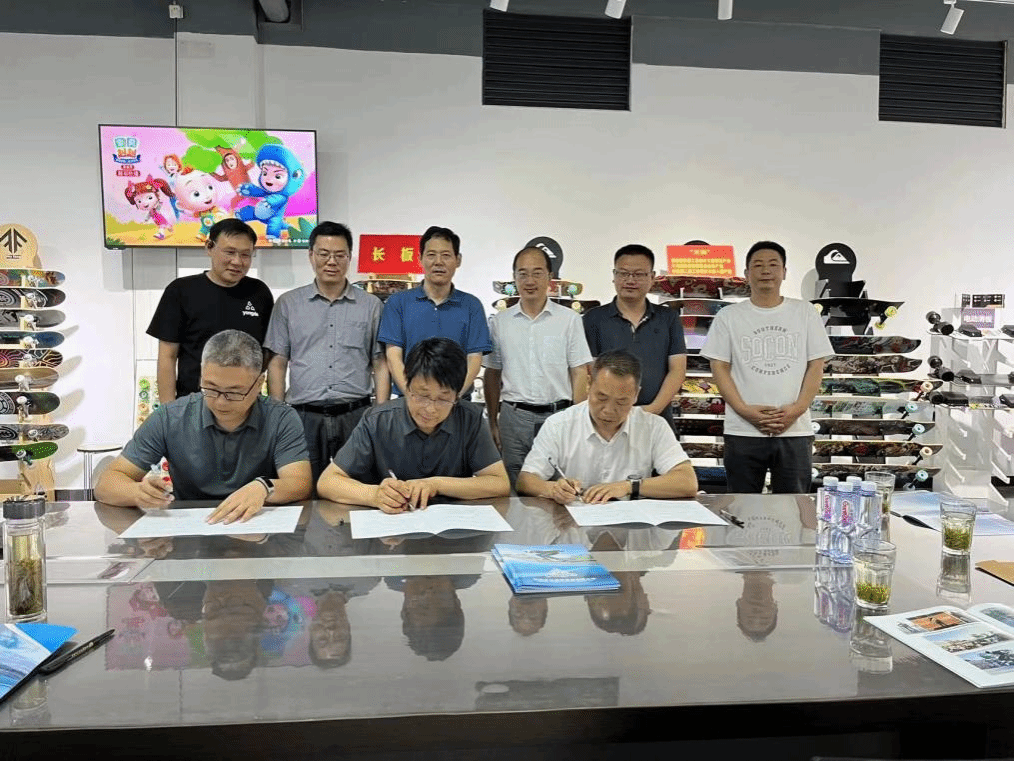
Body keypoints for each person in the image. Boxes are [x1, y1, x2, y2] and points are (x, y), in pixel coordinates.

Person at [95, 330, 313, 524]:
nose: (220, 402)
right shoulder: (170, 417)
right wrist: (137, 492)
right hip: (189, 532)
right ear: (202, 374)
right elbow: (106, 484)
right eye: (210, 388)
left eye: (234, 392)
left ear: (259, 383)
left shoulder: (281, 418)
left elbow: (300, 483)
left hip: (255, 527)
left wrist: (264, 487)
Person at [317, 337, 509, 511]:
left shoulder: (470, 419)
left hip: (450, 528)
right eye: (422, 396)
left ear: (457, 395)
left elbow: (500, 483)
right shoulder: (378, 420)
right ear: (407, 385)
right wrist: (374, 495)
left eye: (443, 399)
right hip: (392, 526)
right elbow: (327, 482)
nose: (431, 409)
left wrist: (435, 484)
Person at [701, 241, 833, 493]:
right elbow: (719, 368)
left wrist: (796, 410)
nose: (765, 271)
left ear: (784, 272)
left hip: (794, 430)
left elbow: (816, 366)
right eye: (757, 265)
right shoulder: (728, 316)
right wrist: (744, 411)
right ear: (746, 273)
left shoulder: (805, 312)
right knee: (741, 505)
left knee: (794, 505)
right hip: (743, 430)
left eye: (773, 264)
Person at [264, 221, 389, 484]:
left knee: (358, 489)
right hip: (303, 416)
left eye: (340, 255)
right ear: (311, 255)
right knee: (301, 489)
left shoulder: (371, 306)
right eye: (324, 254)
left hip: (356, 415)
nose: (331, 261)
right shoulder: (288, 304)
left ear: (349, 257)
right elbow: (277, 362)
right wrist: (278, 413)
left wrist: (379, 412)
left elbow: (380, 363)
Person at [516, 351, 697, 504]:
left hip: (631, 526)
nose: (609, 410)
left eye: (621, 402)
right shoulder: (559, 425)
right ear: (588, 385)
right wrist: (553, 489)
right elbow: (526, 480)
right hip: (572, 526)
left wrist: (628, 486)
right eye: (601, 398)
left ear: (636, 395)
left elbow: (687, 482)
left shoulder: (653, 427)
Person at [483, 246, 592, 488]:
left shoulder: (570, 320)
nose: (529, 281)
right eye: (522, 274)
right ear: (514, 278)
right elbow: (492, 374)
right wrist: (492, 422)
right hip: (513, 418)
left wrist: (578, 421)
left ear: (550, 277)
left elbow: (579, 372)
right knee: (513, 488)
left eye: (537, 273)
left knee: (559, 487)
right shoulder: (500, 322)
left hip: (559, 416)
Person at [147, 218, 274, 403]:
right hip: (194, 402)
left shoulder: (259, 292)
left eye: (246, 254)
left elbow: (268, 351)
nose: (237, 261)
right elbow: (167, 356)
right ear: (209, 247)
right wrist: (169, 411)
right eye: (230, 252)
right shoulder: (181, 291)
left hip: (246, 403)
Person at [377, 226, 491, 397]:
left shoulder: (472, 305)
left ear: (458, 260)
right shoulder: (398, 303)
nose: (438, 262)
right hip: (409, 401)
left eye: (446, 255)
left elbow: (474, 358)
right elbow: (393, 356)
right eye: (431, 255)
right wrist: (413, 397)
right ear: (420, 259)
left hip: (457, 402)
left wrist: (451, 398)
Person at [583, 244, 686, 427]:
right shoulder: (594, 318)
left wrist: (652, 410)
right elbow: (590, 372)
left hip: (657, 419)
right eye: (623, 273)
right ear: (614, 275)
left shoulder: (668, 318)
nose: (630, 280)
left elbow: (677, 370)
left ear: (652, 277)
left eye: (638, 274)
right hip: (608, 419)